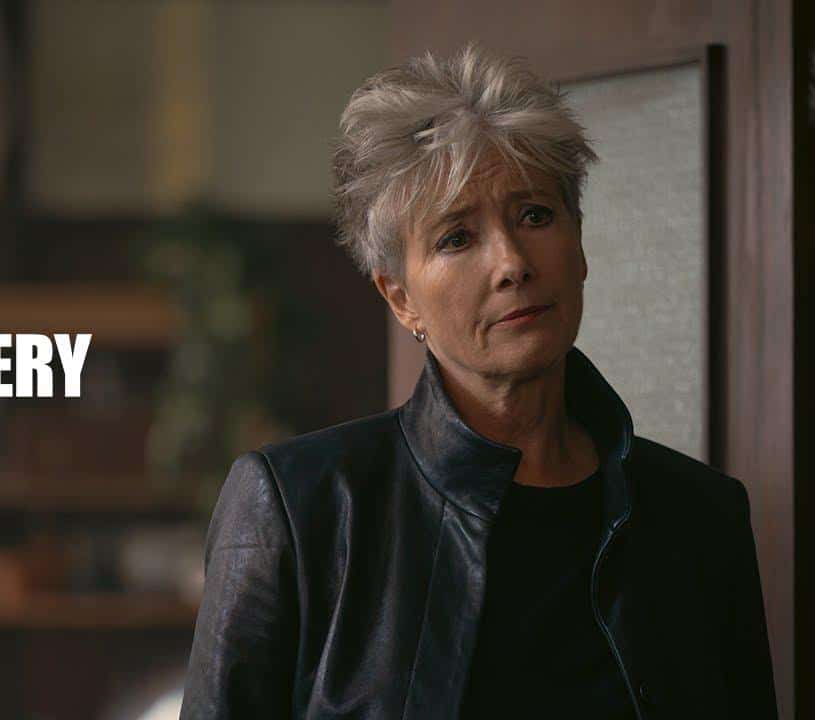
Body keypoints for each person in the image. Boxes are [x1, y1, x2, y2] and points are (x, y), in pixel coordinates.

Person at [179, 43, 778, 720]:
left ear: (579, 243)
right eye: (457, 238)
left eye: (535, 215)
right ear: (400, 298)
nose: (512, 262)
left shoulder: (700, 517)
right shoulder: (302, 507)